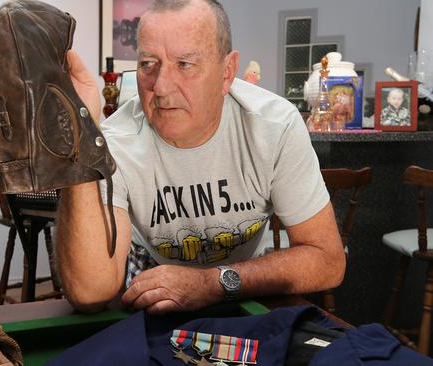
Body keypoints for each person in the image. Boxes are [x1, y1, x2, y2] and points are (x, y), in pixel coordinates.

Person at [56, 0, 345, 314]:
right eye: (147, 64)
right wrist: (83, 137)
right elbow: (89, 294)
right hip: (149, 275)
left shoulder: (274, 126)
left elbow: (327, 259)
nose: (162, 87)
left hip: (244, 282)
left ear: (227, 72)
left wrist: (212, 283)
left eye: (185, 64)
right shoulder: (113, 141)